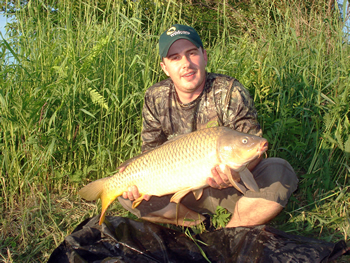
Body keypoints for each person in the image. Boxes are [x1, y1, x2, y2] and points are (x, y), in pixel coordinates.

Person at [118, 24, 298, 228]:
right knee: (124, 195)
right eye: (175, 58)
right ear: (165, 68)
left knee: (280, 171)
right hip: (181, 192)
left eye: (191, 53)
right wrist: (140, 183)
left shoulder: (229, 90)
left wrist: (234, 174)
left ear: (204, 56)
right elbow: (151, 151)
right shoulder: (155, 96)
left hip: (234, 191)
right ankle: (200, 225)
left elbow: (253, 148)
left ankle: (231, 231)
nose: (185, 63)